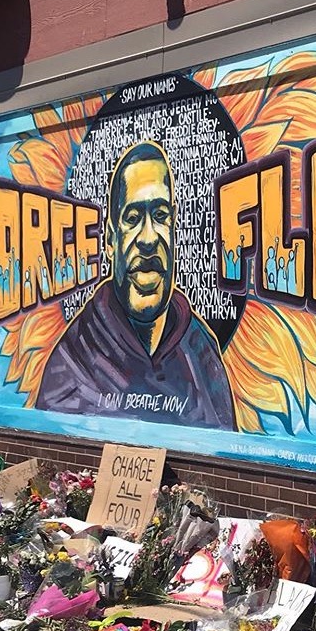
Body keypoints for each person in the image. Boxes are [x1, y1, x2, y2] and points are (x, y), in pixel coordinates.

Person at [36, 141, 236, 429]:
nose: (148, 238)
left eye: (160, 216)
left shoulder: (201, 350)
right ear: (110, 240)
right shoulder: (73, 362)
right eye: (132, 218)